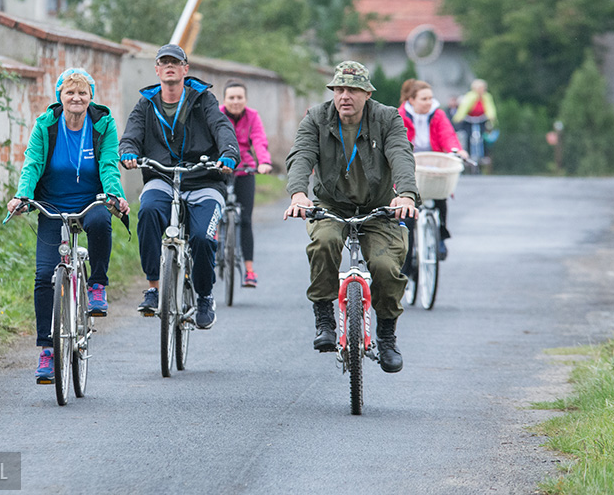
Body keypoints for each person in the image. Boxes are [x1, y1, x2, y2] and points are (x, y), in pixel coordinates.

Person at [283, 61, 418, 373]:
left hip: (379, 208)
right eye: (339, 89)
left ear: (367, 94)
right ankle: (325, 319)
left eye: (353, 90)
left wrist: (406, 195)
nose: (345, 95)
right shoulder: (317, 118)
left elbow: (401, 155)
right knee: (324, 243)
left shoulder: (387, 118)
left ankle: (386, 336)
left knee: (386, 267)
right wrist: (298, 194)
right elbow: (301, 155)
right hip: (332, 206)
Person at [7, 68, 130, 384]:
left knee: (101, 220)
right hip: (51, 203)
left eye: (83, 93)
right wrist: (23, 195)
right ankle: (47, 350)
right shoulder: (46, 125)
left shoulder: (102, 125)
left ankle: (98, 284)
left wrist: (114, 195)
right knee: (43, 275)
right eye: (70, 93)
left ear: (91, 98)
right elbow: (32, 163)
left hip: (91, 199)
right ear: (60, 97)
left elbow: (108, 165)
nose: (76, 99)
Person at [119, 44, 239, 329]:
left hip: (203, 180)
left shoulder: (203, 100)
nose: (170, 66)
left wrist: (228, 154)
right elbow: (131, 134)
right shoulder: (146, 104)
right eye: (164, 62)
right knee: (147, 211)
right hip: (161, 178)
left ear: (185, 69)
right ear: (157, 70)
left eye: (176, 62)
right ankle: (153, 287)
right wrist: (128, 151)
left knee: (201, 237)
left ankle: (205, 297)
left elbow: (222, 127)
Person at [397, 79, 467, 261]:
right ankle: (406, 254)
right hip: (410, 166)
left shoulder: (438, 115)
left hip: (434, 163)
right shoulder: (400, 116)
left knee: (441, 195)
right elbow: (397, 141)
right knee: (408, 210)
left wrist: (457, 150)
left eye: (430, 98)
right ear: (411, 100)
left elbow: (447, 134)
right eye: (424, 98)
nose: (429, 102)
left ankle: (440, 236)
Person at [219, 79, 273, 287]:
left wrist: (264, 162)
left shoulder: (252, 117)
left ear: (245, 99)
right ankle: (213, 248)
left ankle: (249, 270)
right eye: (231, 97)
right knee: (212, 215)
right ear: (224, 100)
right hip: (220, 168)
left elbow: (259, 140)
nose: (235, 101)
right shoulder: (217, 114)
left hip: (245, 169)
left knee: (247, 220)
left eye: (239, 97)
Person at [452, 79, 498, 162]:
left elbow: (490, 108)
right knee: (468, 136)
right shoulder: (470, 96)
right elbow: (463, 108)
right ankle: (468, 154)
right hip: (469, 119)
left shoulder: (487, 97)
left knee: (484, 136)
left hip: (481, 119)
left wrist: (491, 117)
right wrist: (459, 117)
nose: (482, 90)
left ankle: (484, 156)